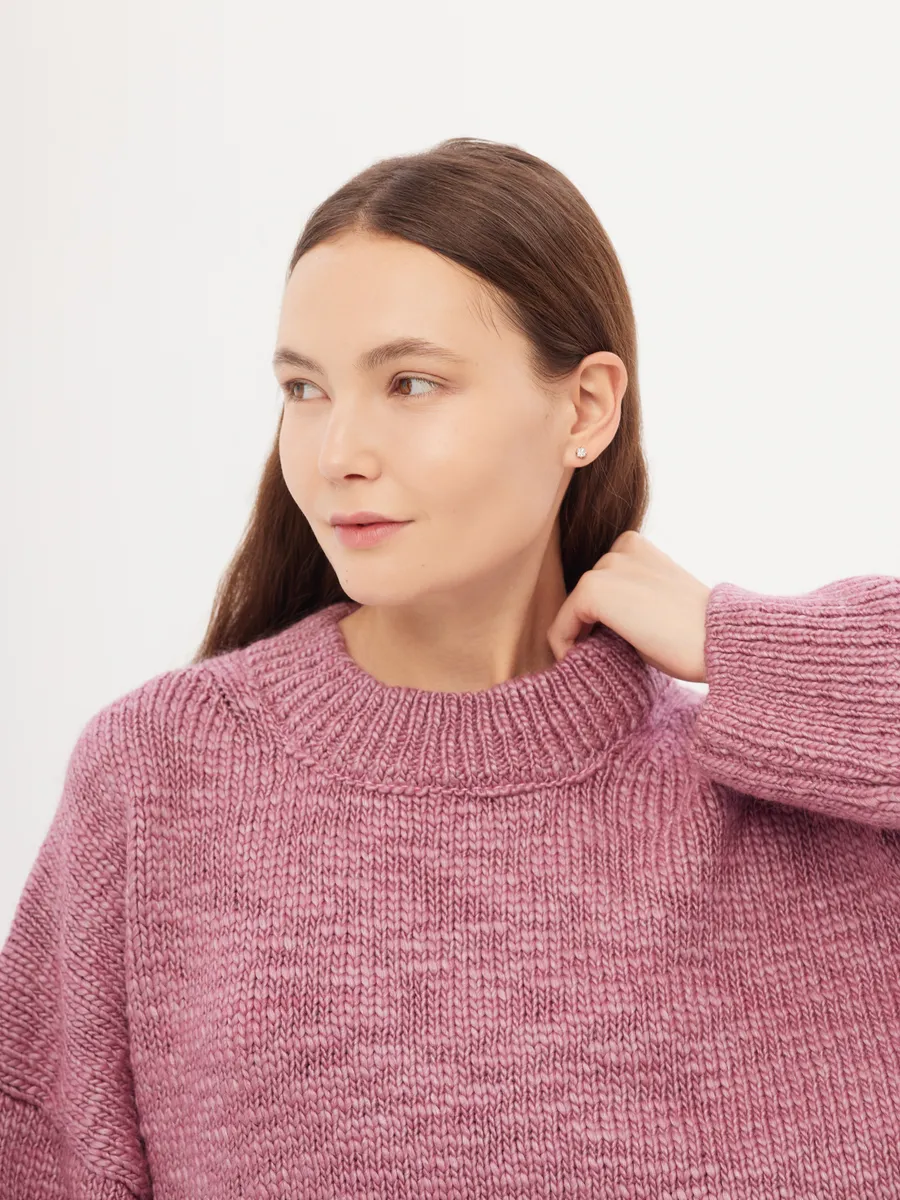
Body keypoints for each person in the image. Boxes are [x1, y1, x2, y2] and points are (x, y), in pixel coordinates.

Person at [1, 136, 898, 1199]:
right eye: (305, 389)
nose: (337, 453)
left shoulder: (805, 804)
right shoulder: (162, 778)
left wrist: (742, 645)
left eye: (411, 382)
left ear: (585, 409)